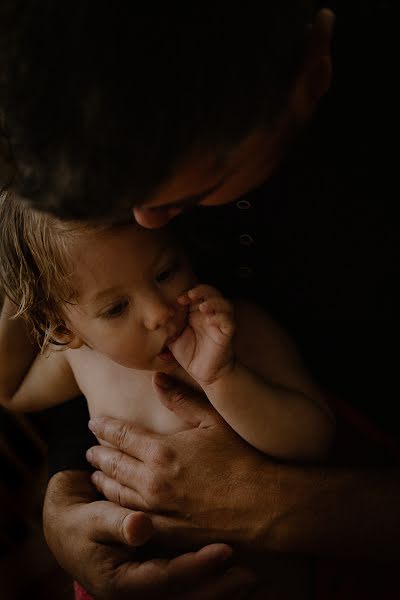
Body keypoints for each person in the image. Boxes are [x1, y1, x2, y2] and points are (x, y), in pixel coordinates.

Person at [0, 2, 399, 599]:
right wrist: (66, 506)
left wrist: (263, 484)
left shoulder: (235, 329)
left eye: (189, 196)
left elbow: (310, 435)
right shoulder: (85, 330)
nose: (146, 220)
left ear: (310, 76)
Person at [0, 193, 334, 597]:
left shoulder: (238, 331)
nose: (159, 311)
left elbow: (313, 440)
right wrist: (26, 283)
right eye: (116, 308)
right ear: (64, 330)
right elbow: (10, 388)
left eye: (164, 272)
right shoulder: (83, 355)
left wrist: (225, 378)